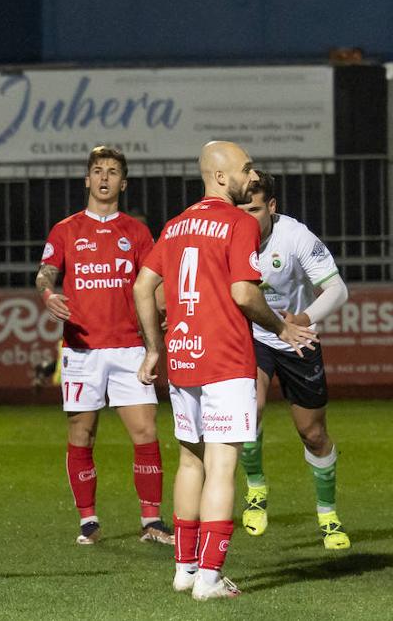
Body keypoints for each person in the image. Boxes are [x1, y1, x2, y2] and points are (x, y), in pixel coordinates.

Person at [133, 141, 317, 601]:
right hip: (227, 358)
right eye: (245, 170)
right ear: (220, 177)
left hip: (183, 355)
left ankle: (185, 569)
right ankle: (210, 579)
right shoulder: (239, 222)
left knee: (190, 460)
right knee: (222, 464)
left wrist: (155, 348)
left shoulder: (175, 225)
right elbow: (244, 294)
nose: (251, 178)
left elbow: (142, 287)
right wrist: (281, 328)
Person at [35, 146, 171, 547]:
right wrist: (48, 295)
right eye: (98, 171)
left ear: (123, 183)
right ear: (87, 180)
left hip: (130, 348)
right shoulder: (66, 230)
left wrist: (161, 316)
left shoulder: (137, 232)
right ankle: (88, 520)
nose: (105, 178)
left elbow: (154, 284)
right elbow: (46, 274)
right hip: (82, 350)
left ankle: (152, 520)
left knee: (145, 431)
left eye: (112, 172)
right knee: (82, 433)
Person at [237, 171, 350, 549]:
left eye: (254, 210)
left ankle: (327, 514)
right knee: (247, 409)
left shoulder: (296, 237)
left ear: (272, 207)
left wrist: (304, 318)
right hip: (252, 337)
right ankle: (256, 489)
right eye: (241, 209)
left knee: (313, 434)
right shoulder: (231, 236)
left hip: (297, 337)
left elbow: (337, 289)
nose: (246, 218)